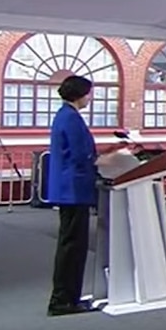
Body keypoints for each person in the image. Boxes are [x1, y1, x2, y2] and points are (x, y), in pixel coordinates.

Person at [47, 75, 101, 316]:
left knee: (71, 245)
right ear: (81, 94)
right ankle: (64, 300)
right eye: (89, 93)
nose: (90, 98)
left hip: (69, 188)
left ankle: (67, 297)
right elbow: (81, 154)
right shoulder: (72, 118)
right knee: (73, 247)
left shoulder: (64, 115)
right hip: (74, 189)